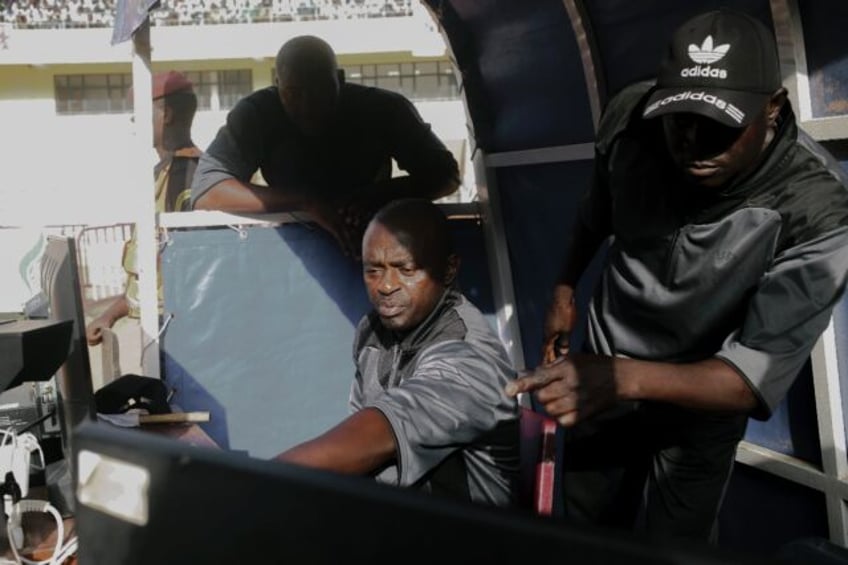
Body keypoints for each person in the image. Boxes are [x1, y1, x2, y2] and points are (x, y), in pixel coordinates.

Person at [506, 9, 848, 542]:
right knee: (584, 534)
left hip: (699, 403)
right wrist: (564, 288)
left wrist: (622, 377)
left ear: (774, 109)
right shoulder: (629, 120)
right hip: (603, 374)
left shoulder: (818, 210)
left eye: (720, 125)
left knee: (681, 547)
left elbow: (748, 378)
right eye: (678, 118)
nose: (691, 141)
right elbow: (595, 213)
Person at [274, 198, 520, 507]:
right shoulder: (374, 330)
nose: (386, 286)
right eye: (373, 270)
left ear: (448, 269)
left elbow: (372, 437)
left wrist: (249, 484)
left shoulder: (468, 359)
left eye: (406, 269)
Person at [190, 35, 460, 258]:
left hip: (375, 251)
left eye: (320, 91)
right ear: (277, 85)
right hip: (288, 253)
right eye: (293, 94)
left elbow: (446, 175)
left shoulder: (384, 109)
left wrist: (377, 196)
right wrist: (307, 201)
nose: (307, 107)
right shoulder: (257, 114)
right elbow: (207, 192)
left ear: (340, 80)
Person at [86, 71, 201, 348]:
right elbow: (146, 280)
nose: (135, 122)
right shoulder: (160, 176)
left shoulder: (186, 179)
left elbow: (191, 279)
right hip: (150, 329)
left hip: (172, 338)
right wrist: (107, 316)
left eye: (138, 114)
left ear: (167, 115)